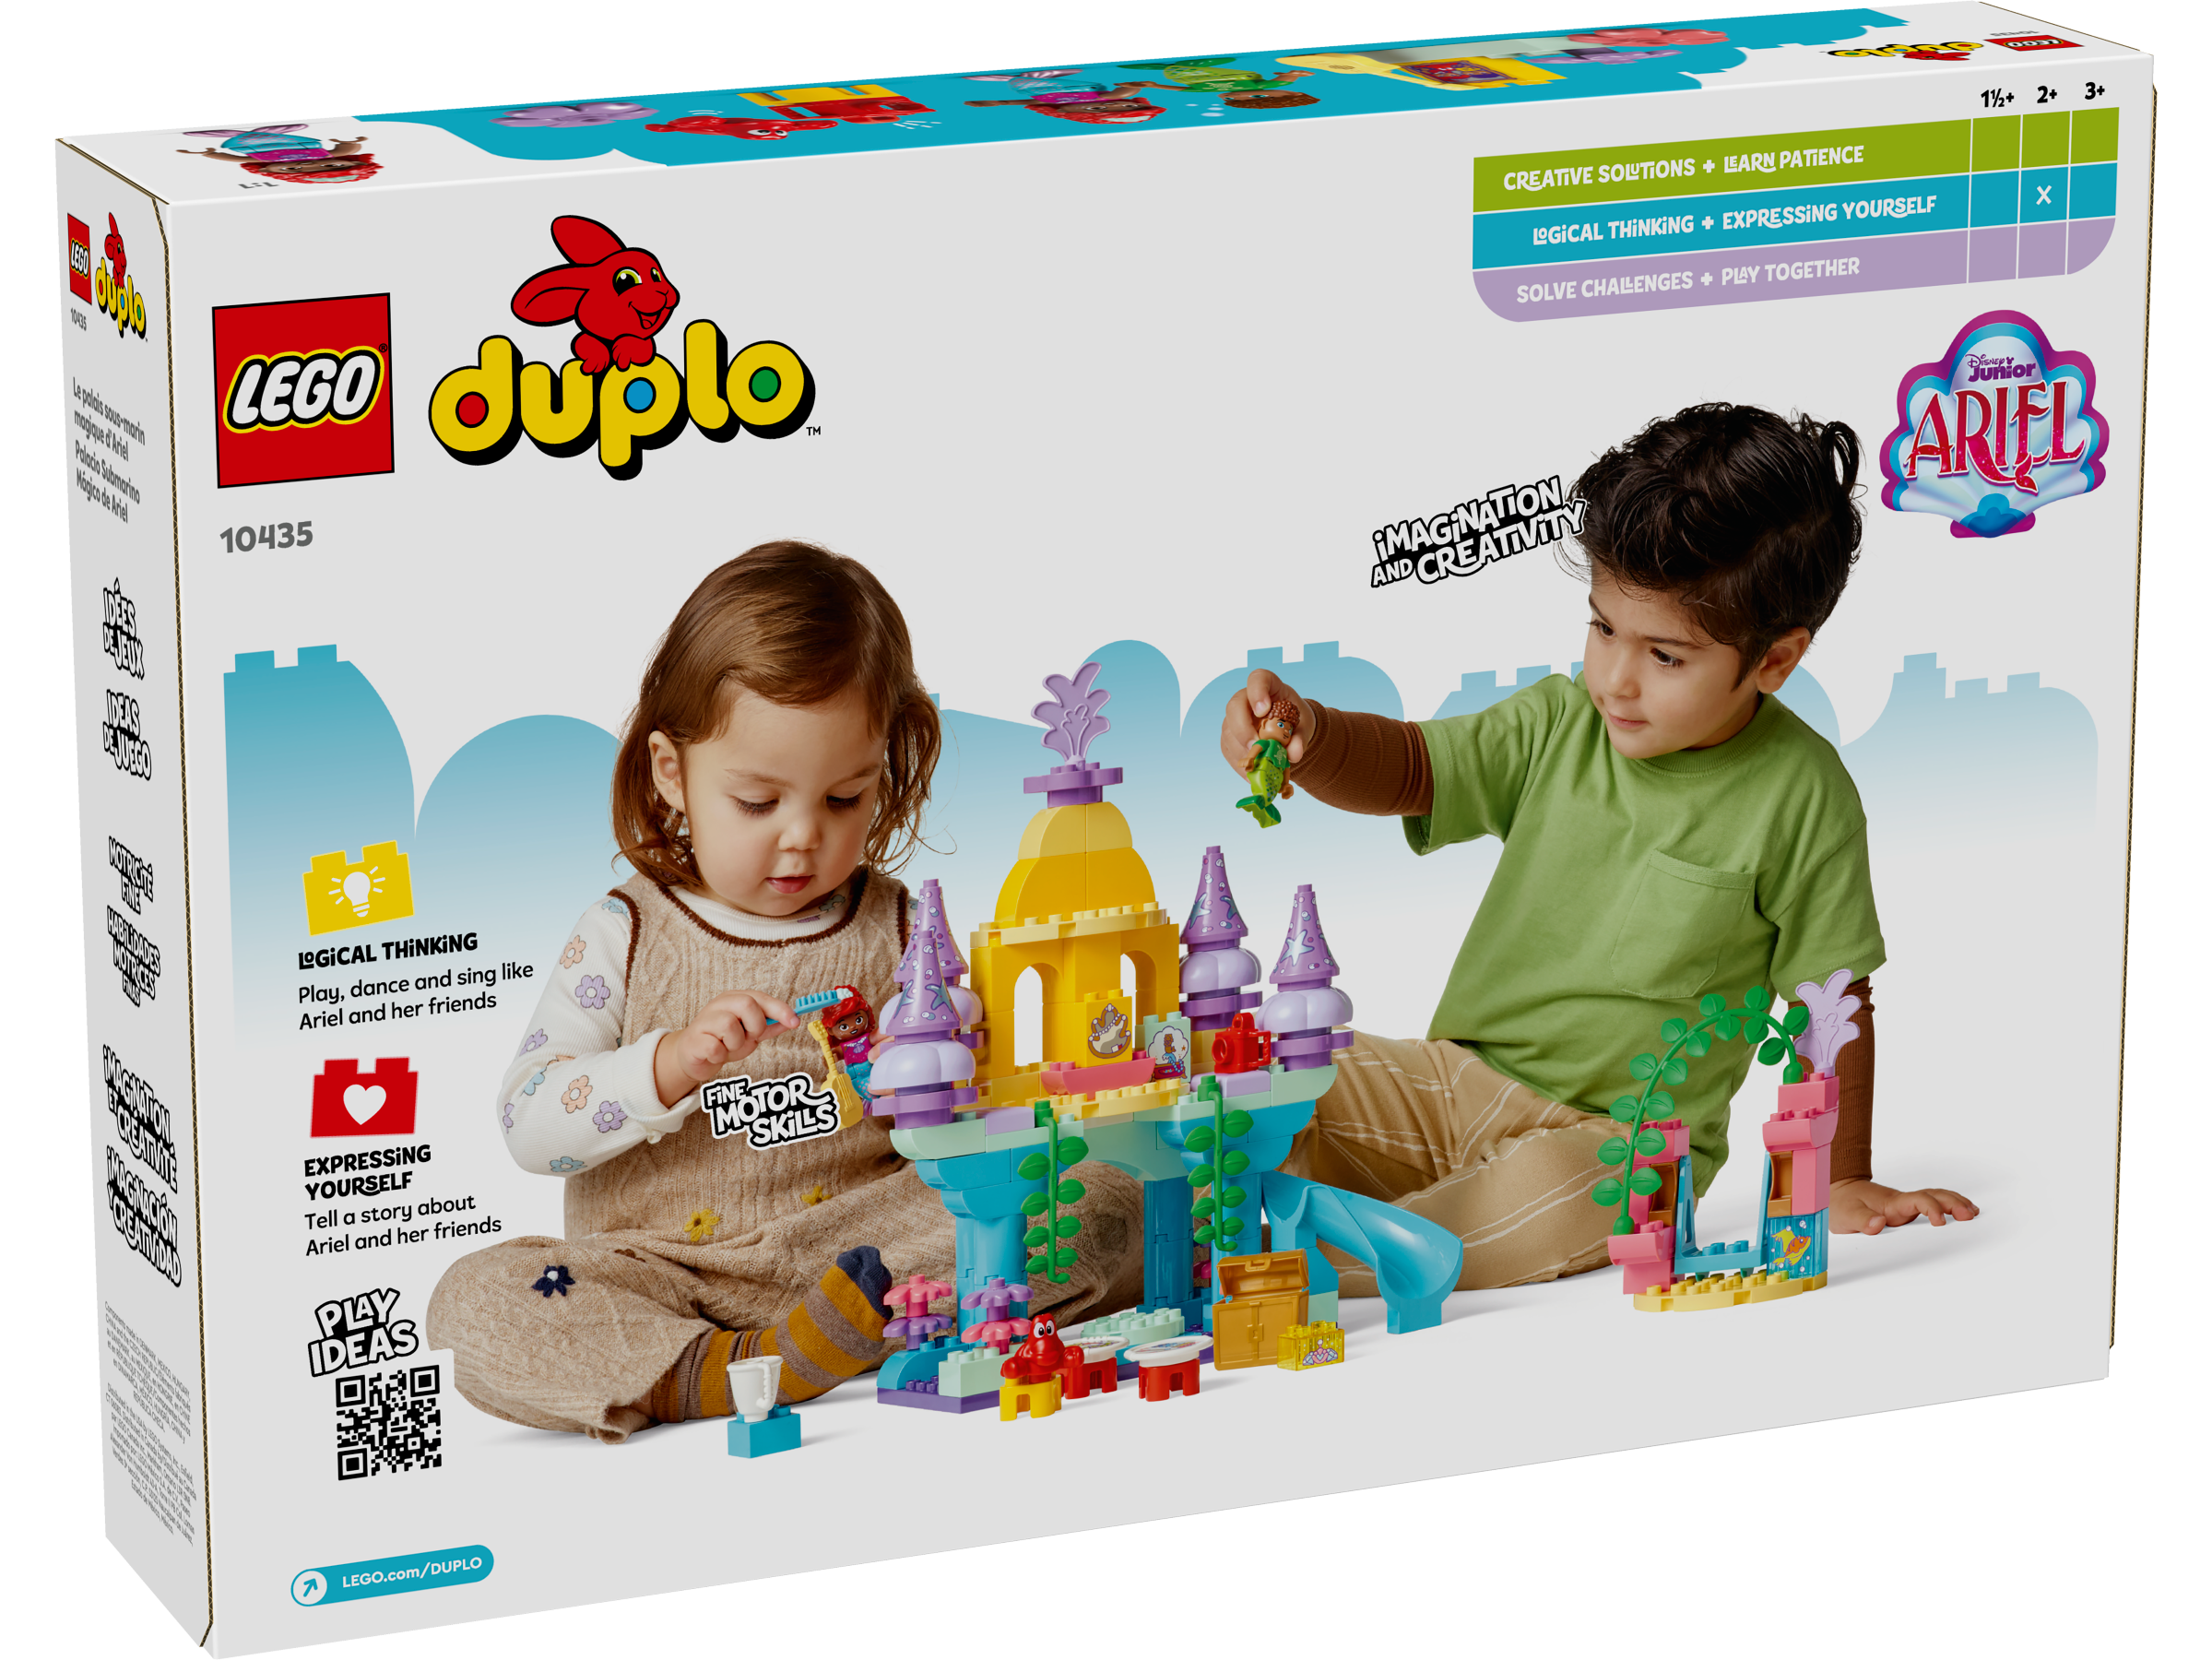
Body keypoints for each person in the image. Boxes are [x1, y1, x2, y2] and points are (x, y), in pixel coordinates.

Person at [1217, 404, 1977, 1292]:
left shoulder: (1802, 797)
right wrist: (1309, 734)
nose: (1613, 679)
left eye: (1665, 656)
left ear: (1773, 661)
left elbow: (1831, 1000)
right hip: (1446, 1087)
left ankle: (1288, 1257)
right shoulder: (1558, 722)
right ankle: (1160, 1219)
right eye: (1603, 628)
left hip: (1618, 1145)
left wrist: (1841, 1177)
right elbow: (1415, 767)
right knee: (1271, 1070)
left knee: (1566, 1194)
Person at [429, 541, 1141, 1441]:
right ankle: (724, 1365)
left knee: (1097, 1194)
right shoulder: (623, 931)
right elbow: (528, 1122)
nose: (802, 838)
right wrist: (664, 1066)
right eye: (758, 803)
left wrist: (942, 1065)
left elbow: (984, 1112)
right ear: (670, 771)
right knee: (477, 1301)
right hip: (665, 1275)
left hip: (871, 1249)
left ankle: (835, 1336)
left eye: (843, 799)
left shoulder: (900, 927)